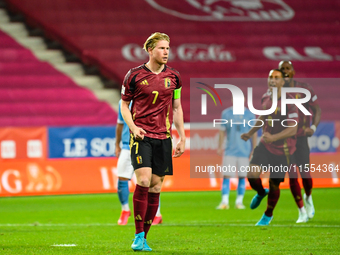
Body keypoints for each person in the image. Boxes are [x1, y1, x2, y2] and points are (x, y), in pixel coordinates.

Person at [120, 32, 186, 251]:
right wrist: (133, 127)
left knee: (156, 186)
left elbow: (176, 108)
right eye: (161, 48)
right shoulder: (134, 75)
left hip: (164, 138)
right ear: (150, 50)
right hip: (142, 136)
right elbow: (123, 105)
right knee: (145, 181)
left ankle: (144, 238)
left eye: (168, 48)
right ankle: (138, 234)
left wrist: (182, 137)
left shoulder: (174, 77)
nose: (166, 52)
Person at [241, 69, 298, 226]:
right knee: (252, 175)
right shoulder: (266, 97)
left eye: (276, 78)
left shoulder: (290, 101)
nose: (272, 80)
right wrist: (250, 132)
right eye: (270, 77)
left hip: (283, 149)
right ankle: (260, 192)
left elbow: (293, 128)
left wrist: (274, 137)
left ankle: (268, 214)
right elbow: (263, 117)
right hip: (265, 145)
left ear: (283, 81)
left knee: (274, 183)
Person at [279, 60, 321, 221]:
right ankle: (301, 211)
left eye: (287, 68)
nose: (285, 71)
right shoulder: (276, 92)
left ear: (293, 71)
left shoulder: (304, 89)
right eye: (282, 69)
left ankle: (308, 197)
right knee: (292, 175)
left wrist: (314, 127)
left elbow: (317, 109)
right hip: (285, 140)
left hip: (302, 138)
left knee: (305, 174)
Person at [115, 100, 163, 226]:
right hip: (127, 145)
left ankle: (156, 214)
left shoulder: (149, 99)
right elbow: (120, 124)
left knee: (150, 181)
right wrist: (117, 144)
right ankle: (125, 210)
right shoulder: (123, 102)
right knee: (122, 178)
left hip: (146, 145)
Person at [216, 106, 257, 210]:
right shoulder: (226, 113)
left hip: (244, 150)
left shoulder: (249, 114)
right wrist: (220, 146)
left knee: (242, 176)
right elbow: (222, 131)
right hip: (230, 150)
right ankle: (224, 201)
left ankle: (239, 202)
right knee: (226, 175)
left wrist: (254, 148)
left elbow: (254, 132)